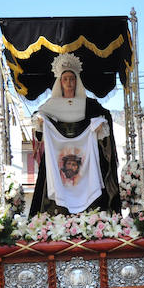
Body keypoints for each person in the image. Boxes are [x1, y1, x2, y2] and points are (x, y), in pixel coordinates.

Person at [30, 52, 121, 215]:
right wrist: (40, 121)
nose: (69, 83)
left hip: (86, 157)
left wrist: (100, 124)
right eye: (65, 79)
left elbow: (105, 116)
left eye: (72, 79)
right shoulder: (51, 105)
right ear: (60, 82)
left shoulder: (89, 105)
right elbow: (38, 121)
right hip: (58, 158)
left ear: (77, 81)